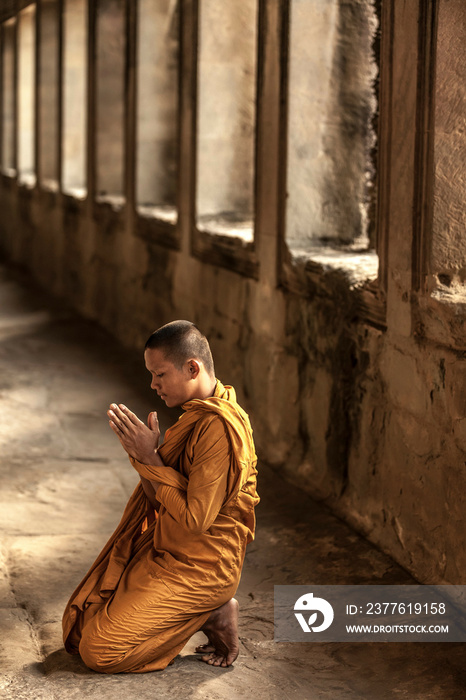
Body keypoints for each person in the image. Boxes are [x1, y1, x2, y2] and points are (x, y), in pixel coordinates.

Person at [62, 320, 259, 673]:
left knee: (100, 652)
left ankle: (210, 612)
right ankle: (204, 612)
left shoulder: (219, 427)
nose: (153, 385)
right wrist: (142, 457)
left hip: (203, 568)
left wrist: (152, 458)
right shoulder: (196, 416)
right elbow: (158, 503)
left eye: (159, 374)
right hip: (169, 550)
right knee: (83, 624)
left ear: (192, 367)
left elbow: (196, 520)